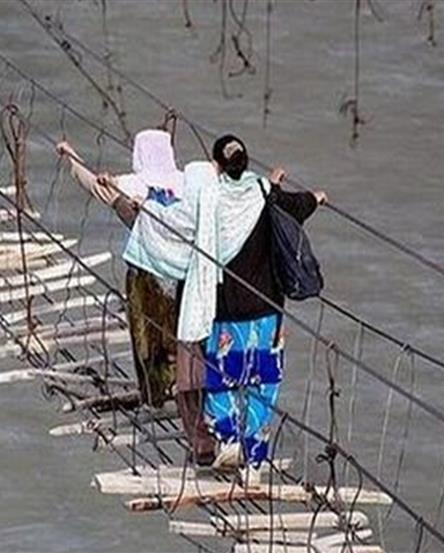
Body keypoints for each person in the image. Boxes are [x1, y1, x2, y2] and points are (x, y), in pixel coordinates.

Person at [178, 134, 326, 468]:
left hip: (226, 309)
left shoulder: (209, 197)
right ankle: (255, 455)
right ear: (246, 162)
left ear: (216, 166)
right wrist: (316, 199)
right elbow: (295, 206)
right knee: (263, 380)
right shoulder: (263, 192)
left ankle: (229, 441)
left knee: (222, 377)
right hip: (267, 309)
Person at [56, 129, 190, 412]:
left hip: (146, 274)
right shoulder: (187, 183)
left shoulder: (129, 185)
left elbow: (92, 183)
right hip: (183, 275)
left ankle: (156, 394)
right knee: (180, 333)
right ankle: (186, 390)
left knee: (147, 335)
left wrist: (72, 158)